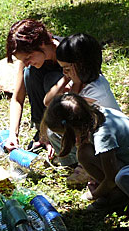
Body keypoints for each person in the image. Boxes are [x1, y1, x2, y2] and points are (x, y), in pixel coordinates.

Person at [44, 92, 129, 214]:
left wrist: (94, 194)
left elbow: (112, 178)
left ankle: (119, 195)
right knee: (85, 150)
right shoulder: (99, 114)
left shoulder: (102, 135)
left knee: (84, 154)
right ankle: (113, 190)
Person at [44, 33, 122, 186]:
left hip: (108, 143)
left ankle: (88, 166)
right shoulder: (78, 83)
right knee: (52, 130)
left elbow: (69, 112)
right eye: (62, 69)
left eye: (67, 69)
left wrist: (73, 84)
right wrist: (67, 78)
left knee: (64, 126)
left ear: (82, 66)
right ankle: (77, 163)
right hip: (91, 134)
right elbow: (47, 102)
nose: (64, 73)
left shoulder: (96, 89)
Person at [3, 19, 65, 152]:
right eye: (22, 60)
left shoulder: (67, 51)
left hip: (69, 110)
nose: (26, 63)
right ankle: (41, 132)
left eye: (28, 57)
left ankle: (57, 133)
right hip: (47, 111)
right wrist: (13, 134)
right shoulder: (29, 63)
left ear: (42, 44)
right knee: (29, 73)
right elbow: (17, 99)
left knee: (51, 79)